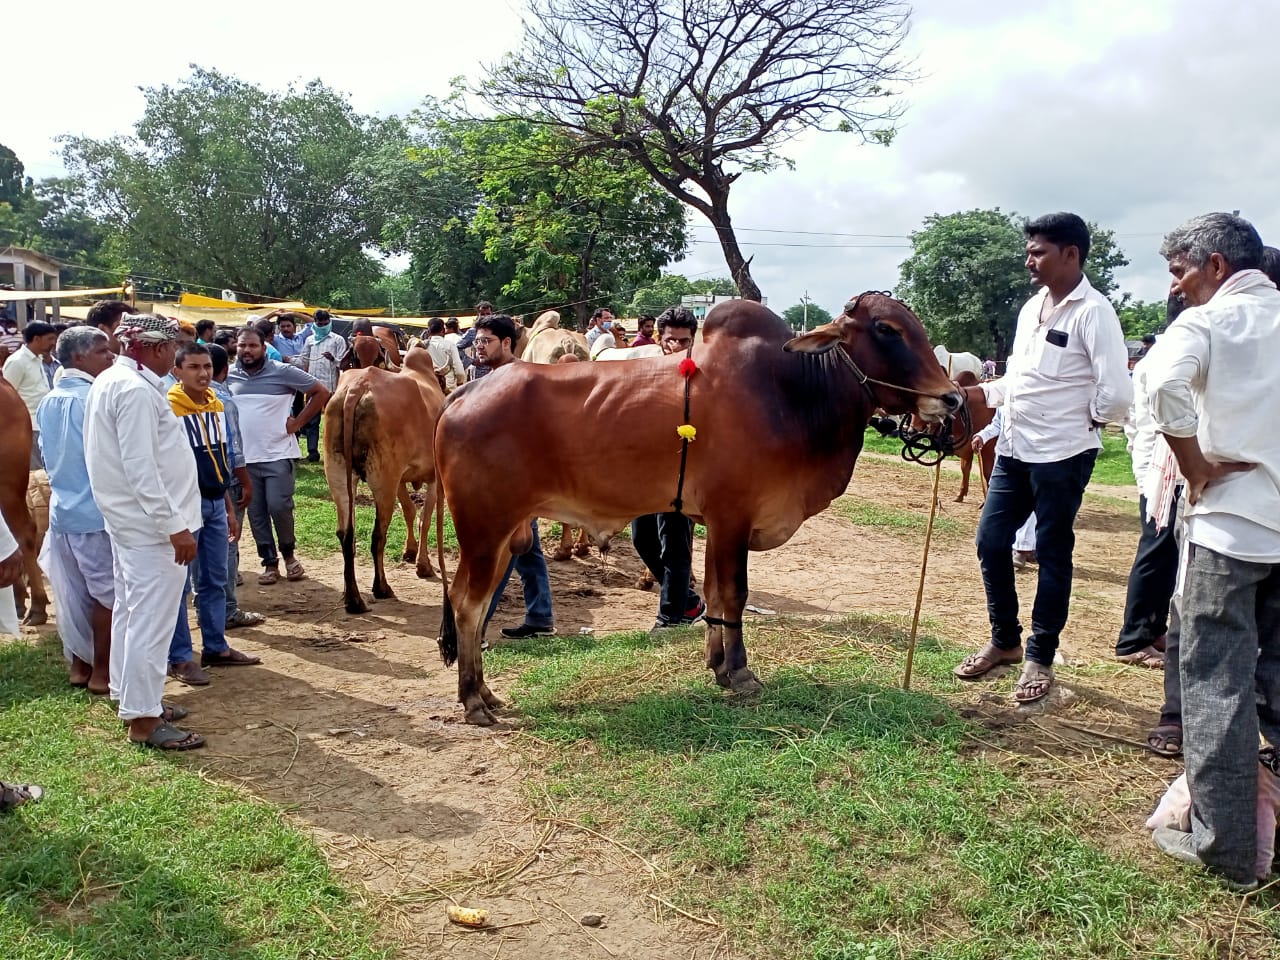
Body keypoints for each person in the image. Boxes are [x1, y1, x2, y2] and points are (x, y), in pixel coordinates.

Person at [1142, 213, 1280, 891]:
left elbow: (1162, 388)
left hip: (1232, 530)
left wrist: (1194, 469)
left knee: (1216, 681)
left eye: (1180, 272)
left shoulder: (1206, 326)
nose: (1178, 287)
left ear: (1216, 266)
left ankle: (1225, 849)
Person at [953, 213, 1132, 703]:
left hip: (1063, 453)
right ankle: (1005, 641)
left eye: (1038, 251)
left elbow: (1117, 395)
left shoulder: (1094, 312)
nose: (1029, 260)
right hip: (1015, 447)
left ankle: (1040, 655)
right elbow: (1020, 381)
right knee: (991, 540)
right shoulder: (1032, 307)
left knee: (1052, 551)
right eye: (1028, 250)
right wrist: (975, 395)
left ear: (1070, 254)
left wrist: (1083, 419)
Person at [85, 314, 204, 750]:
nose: (175, 356)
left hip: (132, 522)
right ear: (155, 349)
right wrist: (175, 526)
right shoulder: (133, 390)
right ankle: (144, 719)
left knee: (133, 614)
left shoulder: (116, 381)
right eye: (172, 348)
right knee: (150, 622)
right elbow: (141, 468)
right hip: (152, 528)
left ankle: (132, 696)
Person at [165, 342, 262, 686]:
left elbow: (219, 459)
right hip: (183, 507)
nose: (203, 373)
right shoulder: (169, 409)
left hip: (214, 502)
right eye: (193, 367)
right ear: (177, 371)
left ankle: (216, 646)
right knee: (179, 585)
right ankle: (179, 656)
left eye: (206, 366)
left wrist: (227, 505)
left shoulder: (217, 405)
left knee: (215, 578)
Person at [35, 327, 117, 693]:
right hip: (95, 511)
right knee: (109, 596)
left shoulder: (50, 399)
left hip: (63, 510)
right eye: (102, 351)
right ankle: (102, 672)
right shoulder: (93, 398)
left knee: (75, 594)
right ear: (80, 357)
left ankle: (81, 667)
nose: (110, 356)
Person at [474, 314, 556, 640]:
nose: (479, 346)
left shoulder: (520, 380)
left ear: (507, 343)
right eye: (477, 340)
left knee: (505, 549)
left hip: (517, 482)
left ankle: (478, 623)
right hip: (500, 478)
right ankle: (541, 616)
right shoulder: (491, 375)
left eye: (486, 341)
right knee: (528, 550)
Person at [227, 325, 330, 584]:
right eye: (242, 346)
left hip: (278, 454)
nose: (247, 350)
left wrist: (298, 423)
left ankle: (289, 556)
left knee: (279, 505)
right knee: (256, 513)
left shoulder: (282, 372)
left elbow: (320, 392)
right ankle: (269, 563)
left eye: (252, 345)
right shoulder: (229, 377)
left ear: (264, 347)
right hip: (245, 460)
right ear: (236, 348)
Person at [631, 307, 707, 630]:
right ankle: (688, 602)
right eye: (670, 340)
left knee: (674, 543)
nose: (676, 346)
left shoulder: (703, 376)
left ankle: (670, 618)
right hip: (649, 471)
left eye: (684, 340)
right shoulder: (646, 369)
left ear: (694, 340)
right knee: (641, 537)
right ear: (660, 340)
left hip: (684, 472)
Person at [209, 344, 264, 630]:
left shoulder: (181, 398)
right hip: (226, 480)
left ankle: (207, 601)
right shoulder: (223, 402)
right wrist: (245, 480)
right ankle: (228, 608)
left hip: (200, 482)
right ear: (225, 369)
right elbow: (233, 449)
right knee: (228, 541)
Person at [971, 409, 1037, 565]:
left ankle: (1022, 549)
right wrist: (982, 435)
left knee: (1031, 505)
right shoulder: (1006, 394)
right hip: (1005, 461)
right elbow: (998, 423)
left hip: (1035, 461)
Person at [3, 321, 58, 468]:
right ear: (37, 339)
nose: (54, 343)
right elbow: (6, 397)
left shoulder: (38, 359)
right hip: (29, 426)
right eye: (50, 338)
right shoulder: (17, 361)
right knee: (36, 473)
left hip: (42, 424)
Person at [295, 309, 347, 462]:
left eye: (326, 323)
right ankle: (313, 452)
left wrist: (333, 359)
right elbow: (302, 360)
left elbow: (343, 362)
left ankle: (335, 451)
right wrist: (286, 360)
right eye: (320, 323)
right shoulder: (310, 340)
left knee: (335, 420)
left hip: (331, 388)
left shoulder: (337, 340)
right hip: (313, 387)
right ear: (315, 323)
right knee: (312, 421)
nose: (323, 326)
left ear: (329, 322)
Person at [418, 317, 465, 393]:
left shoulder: (421, 346)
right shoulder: (450, 345)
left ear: (428, 332)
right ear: (443, 331)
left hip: (428, 386)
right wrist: (460, 382)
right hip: (448, 387)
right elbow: (458, 369)